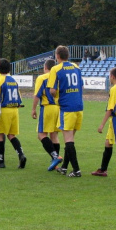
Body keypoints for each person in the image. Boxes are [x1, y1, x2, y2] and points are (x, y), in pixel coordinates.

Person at [47, 45, 83, 177]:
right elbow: (81, 85)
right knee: (71, 139)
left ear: (57, 56)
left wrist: (56, 98)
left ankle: (76, 170)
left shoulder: (56, 69)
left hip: (67, 107)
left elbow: (52, 90)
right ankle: (64, 167)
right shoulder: (76, 67)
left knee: (68, 140)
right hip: (79, 106)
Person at [0, 58, 27, 169]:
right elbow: (19, 98)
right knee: (11, 135)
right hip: (14, 111)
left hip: (4, 111)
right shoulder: (13, 80)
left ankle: (1, 162)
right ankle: (21, 154)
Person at [31, 59, 62, 170]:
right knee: (54, 135)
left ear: (45, 67)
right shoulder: (58, 77)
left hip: (47, 108)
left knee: (41, 135)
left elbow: (37, 95)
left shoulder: (42, 78)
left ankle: (55, 156)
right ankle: (56, 164)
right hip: (58, 108)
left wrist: (33, 109)